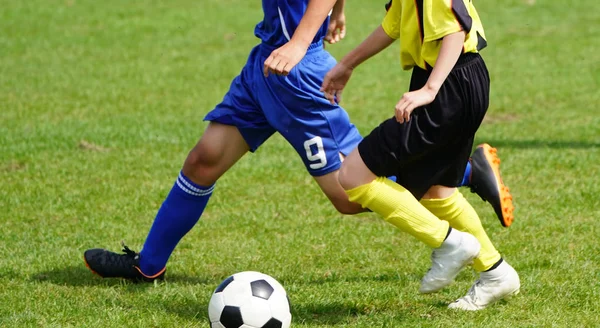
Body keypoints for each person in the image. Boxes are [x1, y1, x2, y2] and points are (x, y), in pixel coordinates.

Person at [83, 0, 514, 291]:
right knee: (204, 160)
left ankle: (462, 172)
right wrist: (337, 14)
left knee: (351, 194)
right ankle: (149, 264)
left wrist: (299, 40)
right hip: (264, 65)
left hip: (296, 74)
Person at [319, 0, 520, 310]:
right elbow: (395, 24)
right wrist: (347, 63)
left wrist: (430, 89)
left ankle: (449, 242)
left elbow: (453, 29)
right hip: (459, 80)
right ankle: (496, 273)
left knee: (352, 175)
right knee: (437, 190)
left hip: (447, 86)